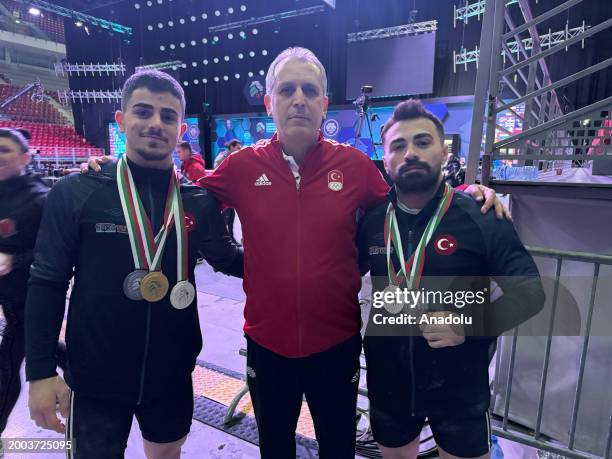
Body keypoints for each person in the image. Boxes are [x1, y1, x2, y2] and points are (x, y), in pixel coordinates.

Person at [86, 48, 509, 459]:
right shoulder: (241, 167)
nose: (299, 100)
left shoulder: (356, 167)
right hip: (267, 345)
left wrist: (466, 194)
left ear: (324, 104)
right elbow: (179, 193)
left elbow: (409, 202)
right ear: (270, 102)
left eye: (309, 90)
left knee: (338, 446)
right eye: (287, 90)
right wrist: (116, 170)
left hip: (337, 342)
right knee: (275, 445)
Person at [25, 70, 243, 459]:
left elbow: (230, 260)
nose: (156, 123)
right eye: (143, 112)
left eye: (168, 115)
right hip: (95, 379)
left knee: (166, 454)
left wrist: (300, 258)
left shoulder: (198, 203)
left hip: (171, 375)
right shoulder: (77, 193)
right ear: (122, 120)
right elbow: (46, 282)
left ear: (181, 129)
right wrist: (40, 372)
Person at [358, 100, 545, 459]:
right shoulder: (373, 220)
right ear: (385, 160)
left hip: (460, 388)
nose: (410, 152)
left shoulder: (481, 216)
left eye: (422, 142)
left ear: (444, 153)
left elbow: (530, 292)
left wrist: (467, 324)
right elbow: (340, 274)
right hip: (390, 383)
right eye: (399, 146)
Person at [0, 128, 49, 440]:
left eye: (5, 150)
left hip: (29, 297)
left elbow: (56, 254)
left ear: (25, 156)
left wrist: (13, 261)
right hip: (8, 299)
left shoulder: (39, 198)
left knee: (8, 364)